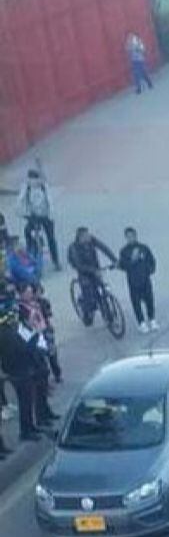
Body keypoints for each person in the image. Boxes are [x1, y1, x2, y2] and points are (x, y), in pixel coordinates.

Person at [0, 293, 48, 443]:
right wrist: (36, 336)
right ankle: (26, 431)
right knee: (25, 400)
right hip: (17, 370)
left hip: (17, 368)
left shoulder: (8, 330)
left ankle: (29, 427)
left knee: (27, 400)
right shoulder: (7, 333)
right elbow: (22, 349)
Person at [67, 227, 117, 326]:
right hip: (84, 272)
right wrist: (93, 271)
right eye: (86, 236)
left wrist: (115, 260)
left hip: (95, 268)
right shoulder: (73, 248)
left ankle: (106, 312)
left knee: (102, 288)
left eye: (88, 235)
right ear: (80, 237)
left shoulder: (91, 240)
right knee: (89, 296)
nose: (88, 237)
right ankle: (86, 312)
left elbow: (104, 248)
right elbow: (78, 265)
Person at [18, 283, 60, 384]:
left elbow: (48, 312)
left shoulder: (38, 301)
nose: (30, 295)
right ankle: (45, 381)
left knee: (52, 354)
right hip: (35, 335)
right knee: (40, 360)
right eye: (27, 293)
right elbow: (24, 324)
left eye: (30, 292)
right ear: (21, 294)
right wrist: (32, 314)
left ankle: (57, 374)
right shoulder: (20, 308)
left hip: (45, 330)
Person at [118, 227, 158, 333]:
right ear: (126, 238)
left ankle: (152, 319)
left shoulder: (144, 248)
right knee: (136, 302)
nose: (131, 238)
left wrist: (150, 270)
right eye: (128, 237)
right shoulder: (124, 251)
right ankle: (141, 323)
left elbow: (151, 260)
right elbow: (123, 266)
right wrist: (132, 260)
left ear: (136, 236)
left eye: (132, 236)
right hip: (133, 281)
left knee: (149, 299)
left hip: (145, 279)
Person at [18, 168, 59, 270]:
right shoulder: (26, 187)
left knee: (51, 238)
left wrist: (51, 215)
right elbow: (20, 200)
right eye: (30, 179)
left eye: (34, 179)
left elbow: (50, 201)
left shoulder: (44, 187)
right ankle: (31, 251)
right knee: (27, 231)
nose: (32, 182)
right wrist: (23, 213)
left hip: (45, 215)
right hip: (33, 216)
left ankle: (56, 261)